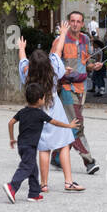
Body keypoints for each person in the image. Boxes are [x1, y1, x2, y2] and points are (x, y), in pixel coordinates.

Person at [19, 24, 85, 194]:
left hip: (37, 111)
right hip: (55, 109)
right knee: (63, 144)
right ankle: (68, 182)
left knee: (44, 148)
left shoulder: (27, 73)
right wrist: (62, 33)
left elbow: (22, 61)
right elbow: (58, 52)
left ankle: (44, 184)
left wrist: (21, 48)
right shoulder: (54, 69)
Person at [4, 82, 78, 203]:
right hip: (30, 147)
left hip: (22, 145)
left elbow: (10, 123)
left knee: (33, 169)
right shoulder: (40, 114)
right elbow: (55, 122)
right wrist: (69, 125)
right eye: (43, 98)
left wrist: (12, 138)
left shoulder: (22, 112)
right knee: (26, 167)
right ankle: (12, 186)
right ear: (39, 100)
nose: (44, 100)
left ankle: (34, 193)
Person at [57, 11, 99, 174]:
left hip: (82, 88)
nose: (75, 24)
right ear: (68, 22)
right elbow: (52, 62)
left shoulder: (85, 39)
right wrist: (61, 70)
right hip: (67, 88)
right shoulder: (60, 39)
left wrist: (93, 66)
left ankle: (55, 156)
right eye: (72, 21)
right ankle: (89, 161)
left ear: (82, 24)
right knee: (76, 125)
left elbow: (85, 62)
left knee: (70, 124)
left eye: (78, 21)